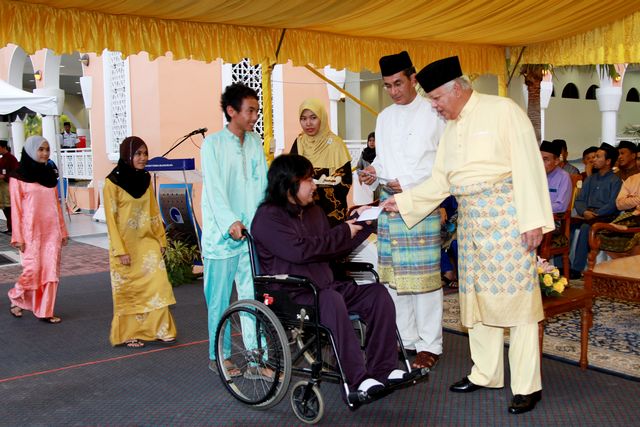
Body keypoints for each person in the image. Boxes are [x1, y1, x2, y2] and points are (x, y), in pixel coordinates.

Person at [381, 56, 554, 415]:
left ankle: (527, 386)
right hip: (472, 222)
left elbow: (528, 165)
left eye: (436, 99)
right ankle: (486, 373)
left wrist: (533, 221)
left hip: (509, 221)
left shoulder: (503, 111)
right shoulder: (451, 127)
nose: (434, 106)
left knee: (518, 307)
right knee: (476, 302)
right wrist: (404, 202)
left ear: (456, 89)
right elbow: (440, 181)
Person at [251, 154, 407, 396]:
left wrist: (360, 222)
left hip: (325, 286)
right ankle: (357, 380)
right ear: (289, 183)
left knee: (377, 294)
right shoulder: (267, 218)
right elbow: (301, 251)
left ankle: (383, 370)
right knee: (331, 300)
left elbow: (332, 248)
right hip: (293, 293)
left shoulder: (313, 211)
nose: (314, 185)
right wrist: (344, 230)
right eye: (308, 179)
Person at [360, 51, 446, 371]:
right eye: (387, 86)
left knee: (424, 279)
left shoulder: (434, 112)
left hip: (421, 202)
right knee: (395, 278)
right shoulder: (384, 118)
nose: (393, 91)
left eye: (398, 83)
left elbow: (442, 163)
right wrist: (373, 171)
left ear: (413, 79)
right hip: (389, 203)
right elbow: (384, 160)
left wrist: (407, 182)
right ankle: (406, 338)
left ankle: (430, 344)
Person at [201, 83, 268, 374]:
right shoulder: (212, 145)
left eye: (256, 111)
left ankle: (256, 358)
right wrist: (230, 222)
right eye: (250, 111)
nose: (254, 116)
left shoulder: (255, 142)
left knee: (252, 298)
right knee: (219, 301)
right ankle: (220, 356)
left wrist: (264, 220)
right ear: (231, 111)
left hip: (250, 236)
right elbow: (215, 191)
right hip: (222, 236)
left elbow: (262, 184)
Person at [104, 136, 177, 348]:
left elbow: (154, 211)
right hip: (125, 246)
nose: (143, 158)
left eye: (145, 153)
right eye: (138, 153)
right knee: (129, 291)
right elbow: (111, 219)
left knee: (158, 284)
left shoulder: (145, 180)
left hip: (147, 243)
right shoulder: (112, 183)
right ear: (127, 155)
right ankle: (129, 333)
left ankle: (161, 329)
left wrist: (161, 239)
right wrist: (120, 250)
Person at [8, 136, 68, 323]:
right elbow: (16, 210)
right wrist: (18, 237)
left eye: (47, 149)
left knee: (51, 271)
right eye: (40, 149)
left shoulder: (49, 175)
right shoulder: (18, 177)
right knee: (32, 270)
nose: (45, 153)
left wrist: (62, 231)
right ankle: (16, 296)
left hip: (52, 231)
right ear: (30, 150)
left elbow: (57, 205)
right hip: (31, 232)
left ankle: (45, 311)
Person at [291, 98, 352, 227]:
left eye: (313, 118)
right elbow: (290, 176)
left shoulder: (336, 144)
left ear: (322, 118)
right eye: (303, 119)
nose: (308, 123)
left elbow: (345, 180)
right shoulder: (299, 143)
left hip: (331, 213)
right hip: (304, 212)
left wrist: (319, 187)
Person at [570, 143, 622, 278]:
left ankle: (577, 268)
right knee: (570, 225)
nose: (594, 159)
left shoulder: (616, 181)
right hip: (588, 214)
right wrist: (584, 212)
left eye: (598, 157)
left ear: (608, 161)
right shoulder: (591, 179)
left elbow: (613, 204)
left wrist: (596, 214)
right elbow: (580, 200)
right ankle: (563, 265)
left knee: (586, 227)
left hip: (606, 216)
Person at [598, 172, 640, 256]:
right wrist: (637, 199)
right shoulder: (632, 179)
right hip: (631, 218)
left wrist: (630, 199)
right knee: (601, 234)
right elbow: (619, 204)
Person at [540, 140, 572, 214]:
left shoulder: (564, 177)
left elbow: (561, 206)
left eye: (545, 159)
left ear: (556, 161)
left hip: (552, 218)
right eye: (539, 159)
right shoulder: (534, 175)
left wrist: (538, 209)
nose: (541, 163)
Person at [0, 140, 19, 233]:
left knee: (10, 207)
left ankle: (13, 227)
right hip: (2, 187)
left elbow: (16, 172)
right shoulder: (2, 159)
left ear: (3, 147)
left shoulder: (12, 158)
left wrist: (5, 176)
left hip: (9, 185)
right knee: (5, 207)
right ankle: (10, 226)